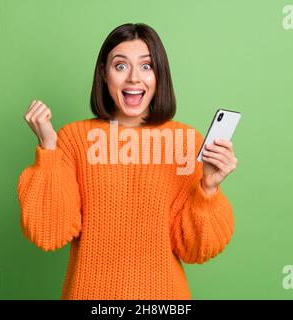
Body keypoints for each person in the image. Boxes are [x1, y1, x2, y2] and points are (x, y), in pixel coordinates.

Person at [17, 22, 238, 300]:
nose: (134, 78)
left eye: (146, 66)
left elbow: (196, 249)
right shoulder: (73, 139)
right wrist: (48, 150)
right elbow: (48, 231)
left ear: (160, 75)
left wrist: (208, 189)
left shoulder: (186, 142)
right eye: (120, 66)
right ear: (104, 74)